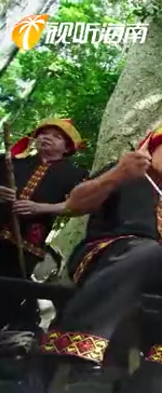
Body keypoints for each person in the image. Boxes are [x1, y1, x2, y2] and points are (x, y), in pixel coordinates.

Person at [38, 124, 162, 393]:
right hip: (106, 256)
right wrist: (119, 173)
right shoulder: (123, 170)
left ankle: (161, 371)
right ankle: (78, 357)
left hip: (156, 265)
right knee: (147, 249)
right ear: (151, 150)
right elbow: (75, 205)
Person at [0, 118, 88, 331]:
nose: (46, 137)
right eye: (43, 133)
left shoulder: (74, 174)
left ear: (67, 147)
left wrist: (41, 208)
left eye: (56, 136)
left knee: (10, 288)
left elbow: (80, 205)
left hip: (26, 243)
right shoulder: (11, 161)